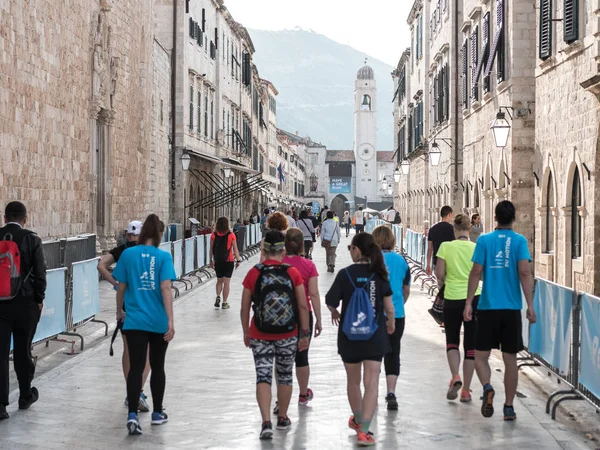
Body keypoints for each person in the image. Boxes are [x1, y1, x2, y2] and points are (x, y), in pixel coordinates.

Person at [464, 201, 536, 421]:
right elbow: (524, 273)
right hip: (511, 308)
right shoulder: (519, 241)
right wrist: (530, 305)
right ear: (513, 218)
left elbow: (476, 271)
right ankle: (508, 407)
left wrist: (468, 302)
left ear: (495, 218)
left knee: (480, 356)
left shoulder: (484, 240)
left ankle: (487, 387)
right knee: (510, 359)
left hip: (488, 307)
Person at [326, 232, 395, 447]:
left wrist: (335, 313)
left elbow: (330, 301)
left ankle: (357, 419)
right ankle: (364, 431)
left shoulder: (344, 274)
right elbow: (389, 309)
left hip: (349, 336)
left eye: (350, 248)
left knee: (353, 381)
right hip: (374, 335)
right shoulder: (380, 275)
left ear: (357, 250)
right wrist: (390, 324)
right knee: (372, 382)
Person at [241, 230, 310, 439]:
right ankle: (282, 417)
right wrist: (304, 334)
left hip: (260, 332)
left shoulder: (254, 273)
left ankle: (265, 422)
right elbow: (302, 306)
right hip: (288, 333)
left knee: (263, 375)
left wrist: (246, 331)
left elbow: (244, 308)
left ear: (263, 250)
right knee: (285, 375)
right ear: (283, 250)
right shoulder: (292, 273)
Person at [113, 214, 176, 435]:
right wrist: (170, 320)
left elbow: (121, 286)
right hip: (158, 320)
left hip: (135, 320)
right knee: (157, 366)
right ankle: (157, 413)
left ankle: (132, 414)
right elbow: (166, 288)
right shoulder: (163, 257)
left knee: (136, 368)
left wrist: (120, 310)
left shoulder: (128, 254)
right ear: (159, 235)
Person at [0, 202, 47, 421]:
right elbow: (40, 272)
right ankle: (25, 395)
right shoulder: (31, 239)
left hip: (0, 304)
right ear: (25, 218)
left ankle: (0, 406)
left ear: (4, 217)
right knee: (22, 350)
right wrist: (39, 299)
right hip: (25, 303)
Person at [98, 220, 151, 412]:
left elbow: (101, 264)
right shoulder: (149, 252)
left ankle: (132, 392)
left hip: (127, 306)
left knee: (129, 349)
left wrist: (115, 283)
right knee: (145, 352)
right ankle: (138, 391)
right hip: (145, 306)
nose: (131, 238)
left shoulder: (123, 251)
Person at [435, 214, 481, 403]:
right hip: (474, 297)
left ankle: (455, 376)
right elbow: (480, 273)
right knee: (470, 345)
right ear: (469, 229)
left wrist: (448, 280)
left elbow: (439, 274)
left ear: (454, 229)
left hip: (452, 298)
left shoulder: (446, 247)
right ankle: (467, 390)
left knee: (452, 340)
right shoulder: (476, 248)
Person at [371, 225, 410, 411]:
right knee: (393, 352)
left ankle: (373, 392)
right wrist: (399, 304)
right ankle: (391, 392)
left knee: (374, 354)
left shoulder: (370, 261)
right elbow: (406, 288)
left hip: (374, 315)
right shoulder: (401, 261)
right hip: (397, 313)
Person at [283, 228, 322, 407]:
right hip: (303, 315)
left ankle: (281, 399)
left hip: (281, 315)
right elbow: (313, 294)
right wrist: (319, 319)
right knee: (302, 356)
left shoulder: (277, 263)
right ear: (301, 245)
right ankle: (303, 393)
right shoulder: (309, 265)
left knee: (282, 357)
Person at [426, 206, 455, 325]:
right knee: (449, 291)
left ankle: (442, 319)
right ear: (449, 215)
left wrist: (427, 264)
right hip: (450, 264)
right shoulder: (452, 229)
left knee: (441, 289)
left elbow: (429, 249)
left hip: (437, 263)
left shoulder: (433, 229)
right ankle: (448, 317)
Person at [210, 217, 241, 309]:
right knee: (227, 283)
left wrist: (210, 261)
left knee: (219, 281)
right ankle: (224, 302)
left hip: (218, 261)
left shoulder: (213, 235)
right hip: (228, 261)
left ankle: (218, 296)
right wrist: (238, 260)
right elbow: (235, 249)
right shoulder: (231, 235)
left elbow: (211, 249)